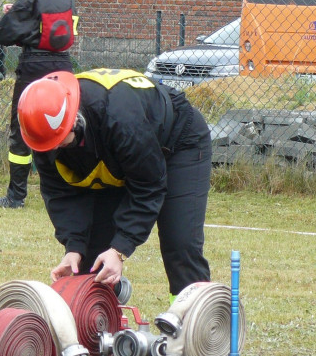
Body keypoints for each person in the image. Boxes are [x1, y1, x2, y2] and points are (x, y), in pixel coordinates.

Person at [16, 68, 211, 298]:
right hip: (116, 153)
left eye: (60, 143)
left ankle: (192, 323)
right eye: (49, 145)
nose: (55, 150)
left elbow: (148, 186)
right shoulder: (43, 134)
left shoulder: (119, 119)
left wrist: (119, 250)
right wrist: (74, 247)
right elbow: (60, 193)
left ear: (74, 121)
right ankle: (105, 317)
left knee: (180, 244)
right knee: (91, 260)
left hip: (177, 141)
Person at [0, 0, 78, 209]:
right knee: (60, 128)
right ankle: (63, 192)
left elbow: (1, 34)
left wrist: (13, 13)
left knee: (23, 130)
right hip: (63, 68)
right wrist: (19, 14)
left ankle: (16, 196)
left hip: (33, 68)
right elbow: (51, 29)